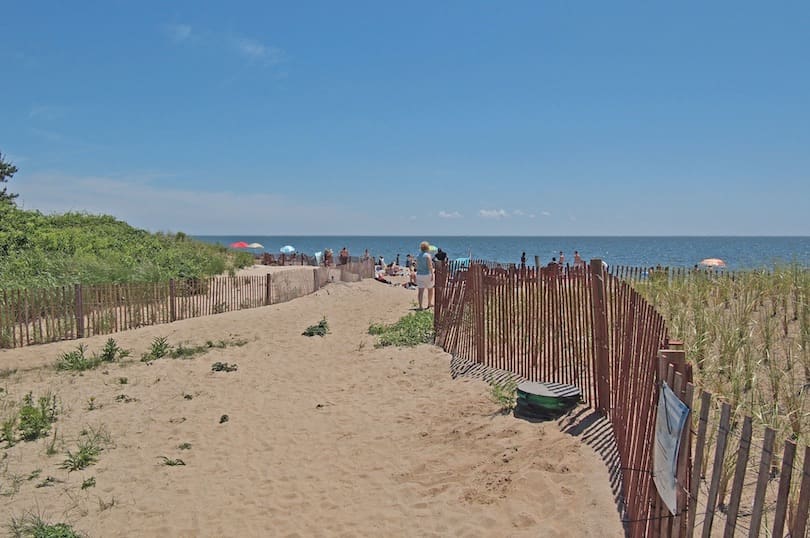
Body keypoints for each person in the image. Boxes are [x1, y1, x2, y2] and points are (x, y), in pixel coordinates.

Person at [415, 241, 435, 310]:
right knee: (430, 289)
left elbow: (416, 266)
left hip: (419, 274)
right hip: (427, 274)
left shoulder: (418, 256)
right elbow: (430, 266)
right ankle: (429, 303)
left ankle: (420, 306)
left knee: (420, 291)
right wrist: (432, 274)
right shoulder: (427, 255)